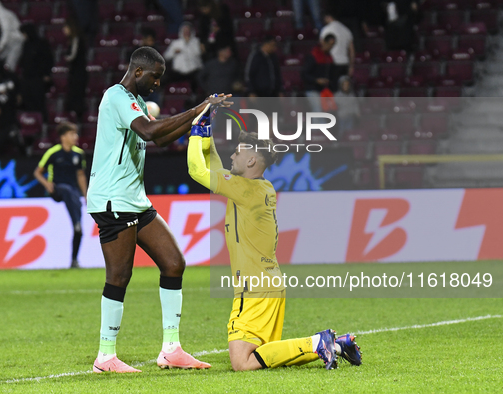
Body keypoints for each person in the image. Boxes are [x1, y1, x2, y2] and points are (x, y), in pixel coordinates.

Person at [86, 46, 230, 373]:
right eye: (155, 77)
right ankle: (105, 356)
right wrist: (198, 107)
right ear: (138, 72)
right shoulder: (116, 96)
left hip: (134, 199)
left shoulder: (134, 102)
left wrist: (200, 114)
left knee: (174, 263)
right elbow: (150, 133)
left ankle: (171, 350)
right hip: (112, 200)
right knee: (120, 275)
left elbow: (161, 139)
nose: (157, 84)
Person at [186, 120, 363, 371]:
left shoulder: (243, 188)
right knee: (260, 356)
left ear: (251, 162)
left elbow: (196, 170)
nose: (232, 155)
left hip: (253, 287)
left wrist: (194, 134)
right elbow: (214, 168)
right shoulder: (258, 186)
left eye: (238, 152)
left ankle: (317, 342)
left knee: (242, 362)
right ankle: (334, 346)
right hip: (271, 283)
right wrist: (206, 135)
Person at [34, 122, 87, 268]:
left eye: (75, 134)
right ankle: (76, 221)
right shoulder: (53, 152)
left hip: (73, 192)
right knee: (67, 190)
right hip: (57, 190)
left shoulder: (79, 154)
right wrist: (47, 184)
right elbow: (37, 172)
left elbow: (80, 175)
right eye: (72, 134)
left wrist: (86, 195)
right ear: (63, 137)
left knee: (79, 226)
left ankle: (74, 258)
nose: (75, 137)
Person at [18, 23, 53, 123]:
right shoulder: (26, 44)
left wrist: (46, 74)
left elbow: (48, 60)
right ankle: (30, 125)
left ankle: (43, 124)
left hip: (38, 79)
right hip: (27, 79)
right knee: (27, 103)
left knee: (39, 103)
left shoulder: (41, 43)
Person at [162, 22, 202, 92]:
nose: (186, 33)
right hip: (178, 72)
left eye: (188, 31)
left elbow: (198, 53)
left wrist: (188, 44)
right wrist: (174, 52)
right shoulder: (176, 43)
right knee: (165, 78)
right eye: (185, 31)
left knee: (199, 79)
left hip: (193, 71)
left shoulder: (196, 42)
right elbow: (166, 56)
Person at [302, 34, 336, 113]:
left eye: (332, 45)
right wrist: (316, 80)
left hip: (324, 89)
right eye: (329, 44)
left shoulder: (329, 57)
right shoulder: (314, 55)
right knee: (318, 109)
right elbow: (304, 74)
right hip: (312, 89)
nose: (331, 47)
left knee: (325, 111)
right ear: (324, 42)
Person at [63, 17, 88, 122]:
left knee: (77, 95)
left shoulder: (76, 39)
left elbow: (72, 56)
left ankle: (78, 117)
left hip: (78, 73)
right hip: (76, 72)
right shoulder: (74, 40)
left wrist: (65, 57)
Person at [320, 13, 355, 80]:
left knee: (333, 88)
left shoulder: (326, 29)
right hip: (344, 63)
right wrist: (351, 66)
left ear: (328, 17)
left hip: (332, 63)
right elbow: (352, 51)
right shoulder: (346, 30)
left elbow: (321, 47)